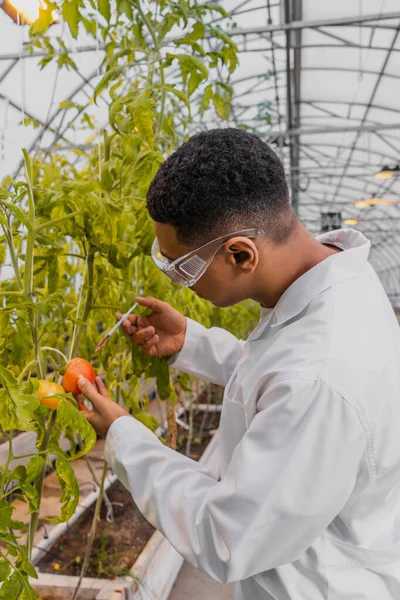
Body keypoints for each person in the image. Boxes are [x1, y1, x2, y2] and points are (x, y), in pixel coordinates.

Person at [78, 128, 400, 600]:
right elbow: (276, 380)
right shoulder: (334, 283)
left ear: (241, 253)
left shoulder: (318, 374)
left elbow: (226, 537)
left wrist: (125, 436)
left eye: (181, 267)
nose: (179, 283)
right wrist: (193, 341)